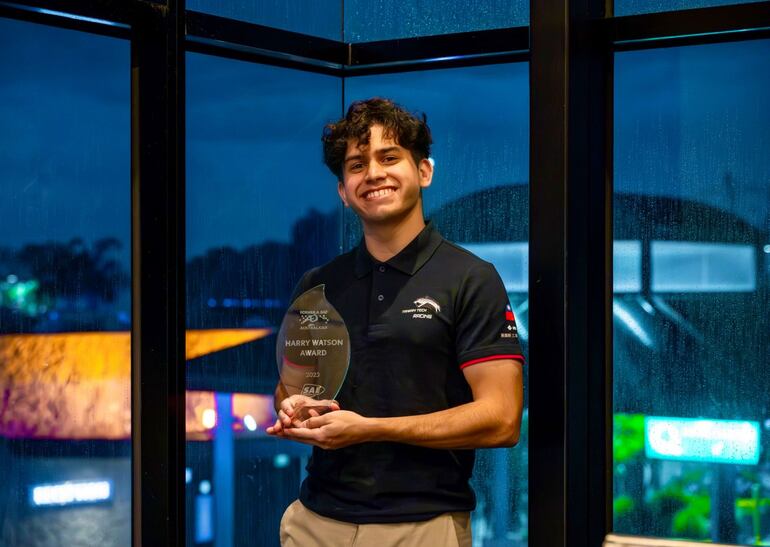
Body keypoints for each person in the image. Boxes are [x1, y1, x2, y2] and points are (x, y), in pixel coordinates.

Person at [267, 97, 525, 547]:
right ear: (343, 191)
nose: (373, 174)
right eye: (357, 165)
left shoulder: (470, 278)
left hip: (422, 526)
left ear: (423, 171)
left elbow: (501, 419)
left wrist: (370, 430)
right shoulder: (319, 284)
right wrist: (293, 408)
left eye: (389, 158)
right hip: (314, 523)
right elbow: (292, 388)